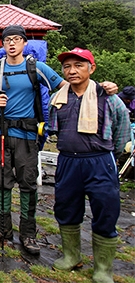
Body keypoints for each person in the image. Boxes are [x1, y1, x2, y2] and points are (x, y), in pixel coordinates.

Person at [0, 25, 67, 255]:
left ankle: (28, 233)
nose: (12, 43)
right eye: (7, 40)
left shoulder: (37, 68)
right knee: (0, 180)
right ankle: (2, 227)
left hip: (27, 135)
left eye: (17, 39)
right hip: (0, 133)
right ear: (3, 44)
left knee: (28, 183)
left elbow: (65, 86)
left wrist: (99, 89)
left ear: (24, 43)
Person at [48, 48, 129, 283]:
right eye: (67, 67)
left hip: (100, 161)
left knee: (106, 210)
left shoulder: (108, 98)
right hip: (68, 161)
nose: (71, 71)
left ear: (91, 68)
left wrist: (110, 156)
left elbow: (122, 131)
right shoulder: (59, 98)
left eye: (78, 65)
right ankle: (71, 256)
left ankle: (103, 269)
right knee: (66, 208)